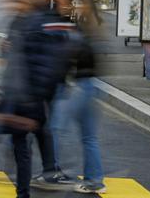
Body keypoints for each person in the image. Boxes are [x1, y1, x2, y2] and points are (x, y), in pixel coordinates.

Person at [0, 0, 74, 198]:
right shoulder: (20, 22)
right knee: (28, 139)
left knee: (27, 141)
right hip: (22, 93)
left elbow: (46, 61)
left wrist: (38, 96)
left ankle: (35, 181)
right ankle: (46, 171)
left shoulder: (40, 22)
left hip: (31, 95)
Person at [48, 22, 106, 194]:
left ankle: (52, 173)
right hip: (90, 85)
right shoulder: (88, 37)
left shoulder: (70, 37)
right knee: (89, 137)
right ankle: (95, 180)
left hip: (75, 86)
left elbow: (63, 65)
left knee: (56, 129)